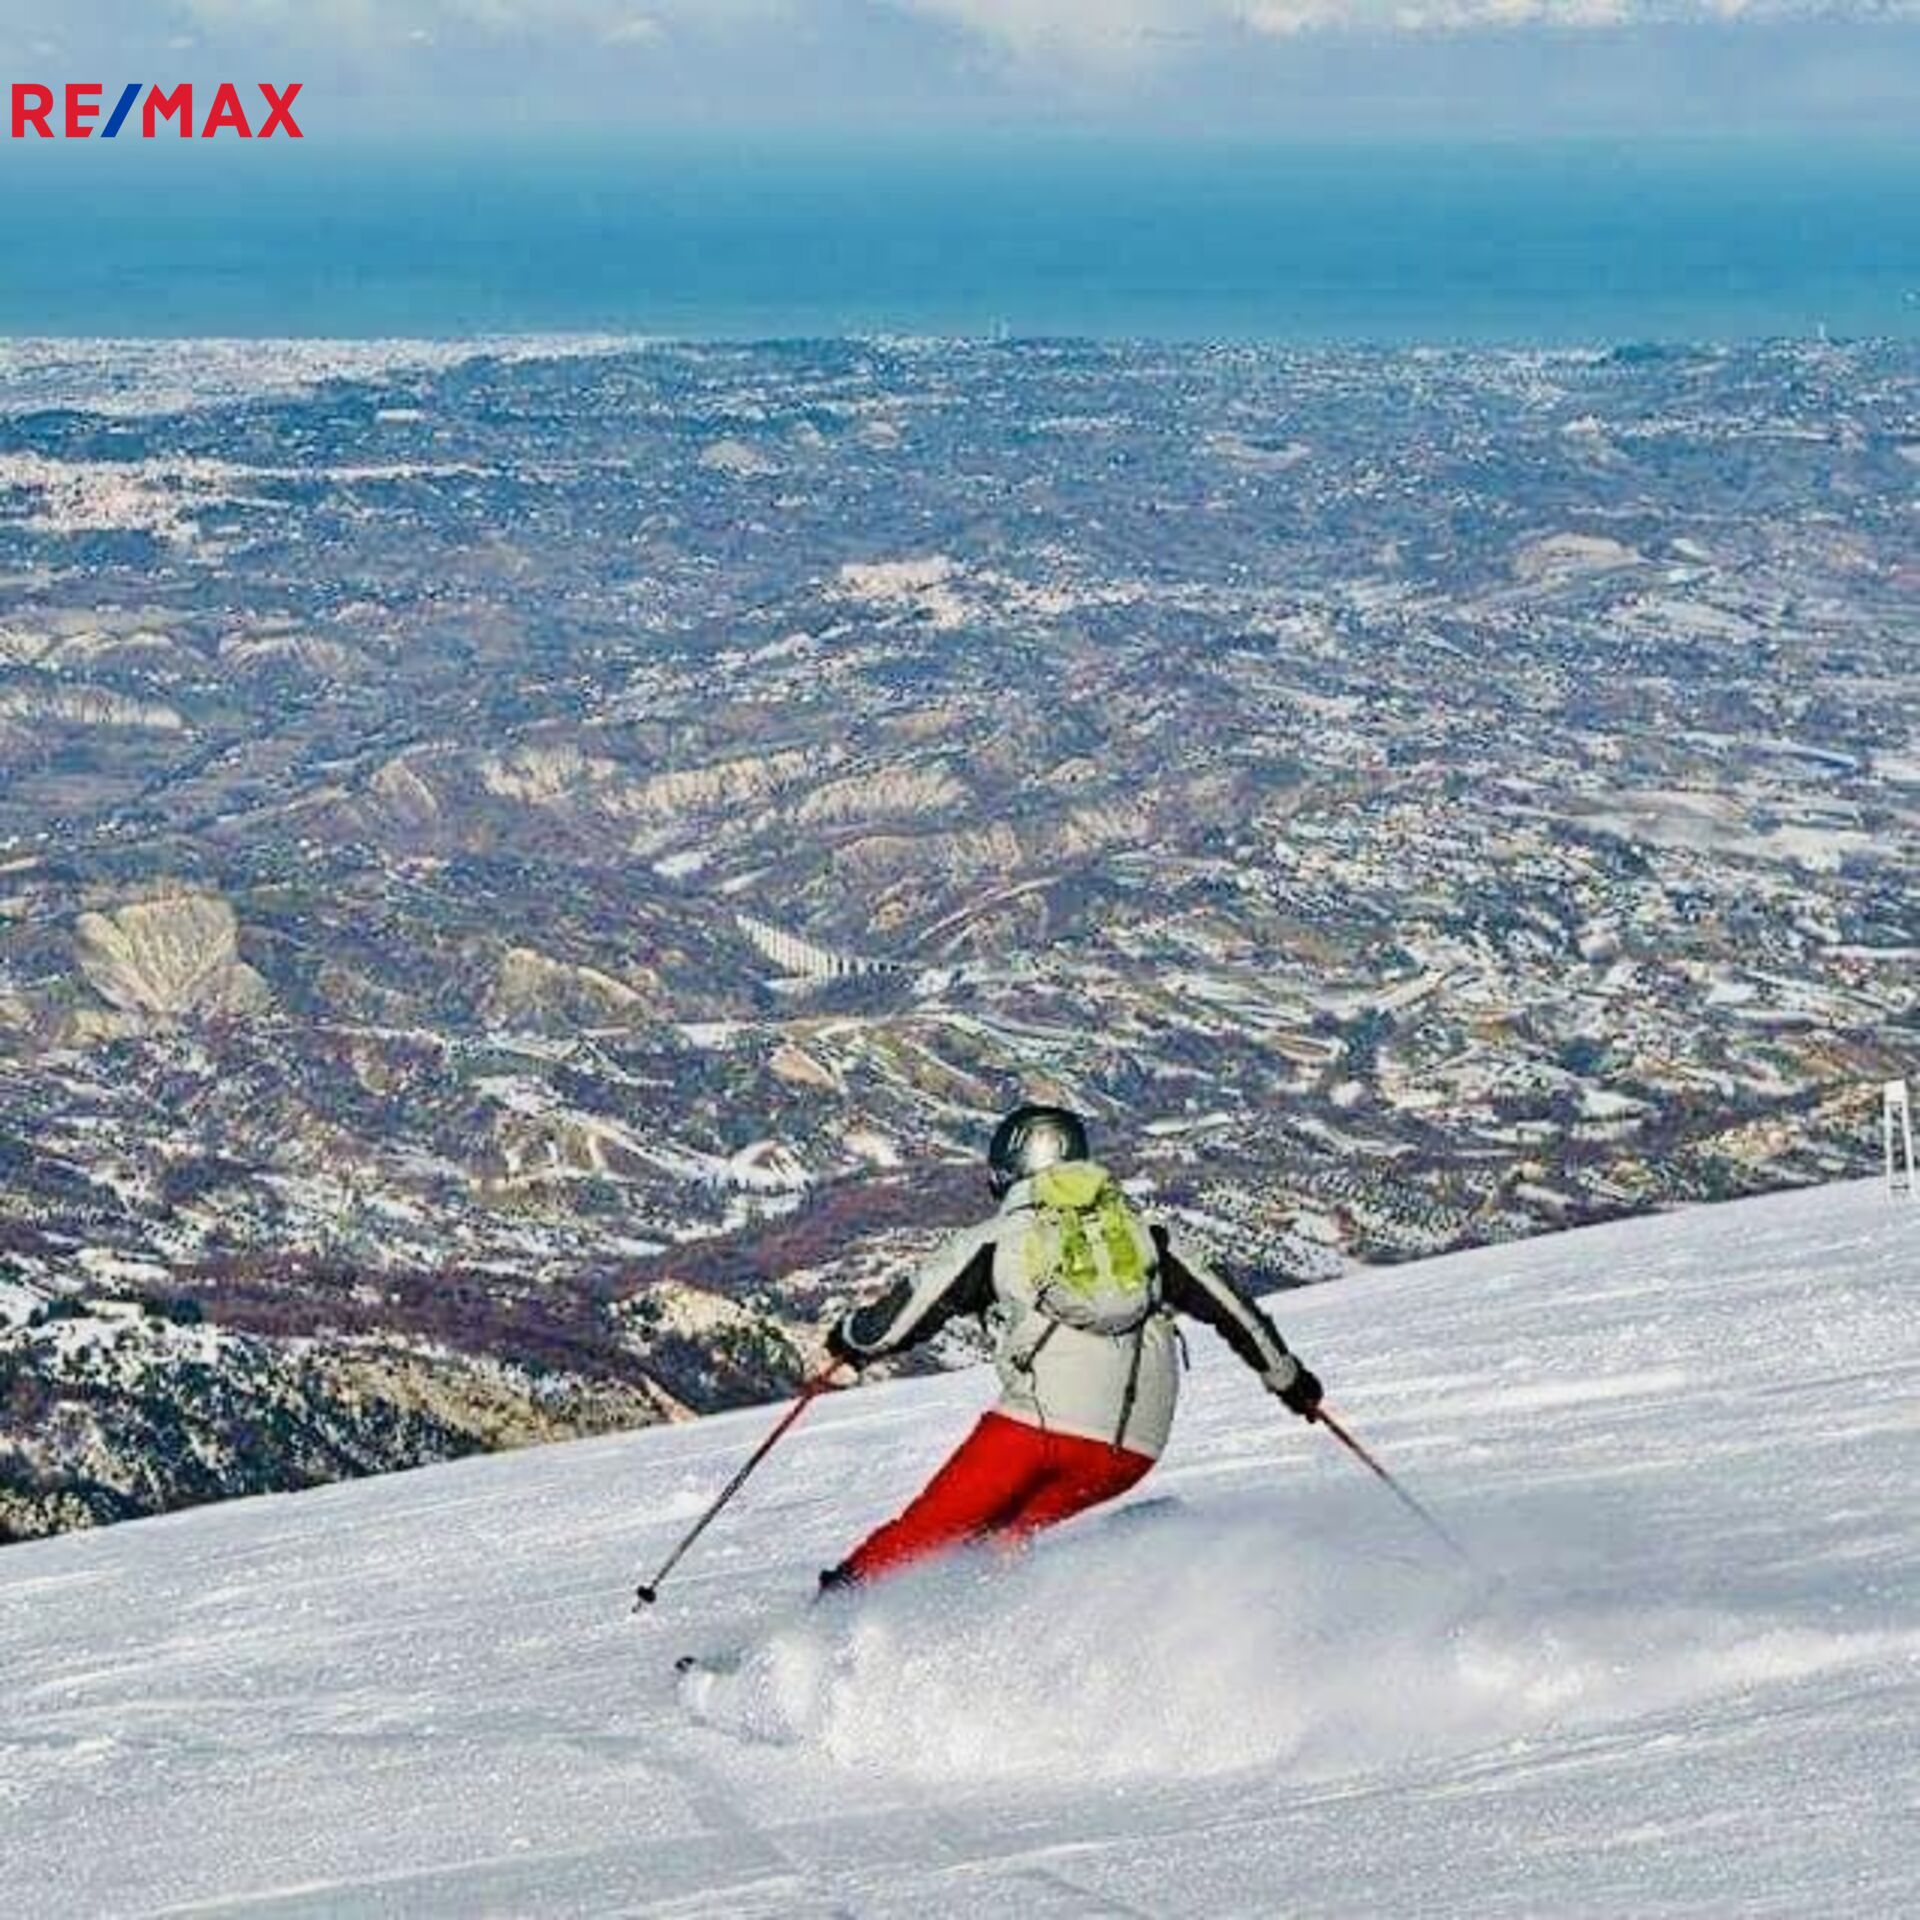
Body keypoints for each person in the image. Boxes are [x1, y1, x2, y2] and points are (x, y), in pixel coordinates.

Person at [818, 1101, 1324, 1588]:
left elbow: (891, 1325)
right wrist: (1291, 1383)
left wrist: (849, 1341)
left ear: (1009, 1168)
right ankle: (1004, 1620)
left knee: (922, 1535)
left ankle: (833, 1614)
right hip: (1133, 1448)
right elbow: (1237, 1312)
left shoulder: (998, 1239)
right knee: (996, 1540)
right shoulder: (1147, 1236)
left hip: (1037, 1433)